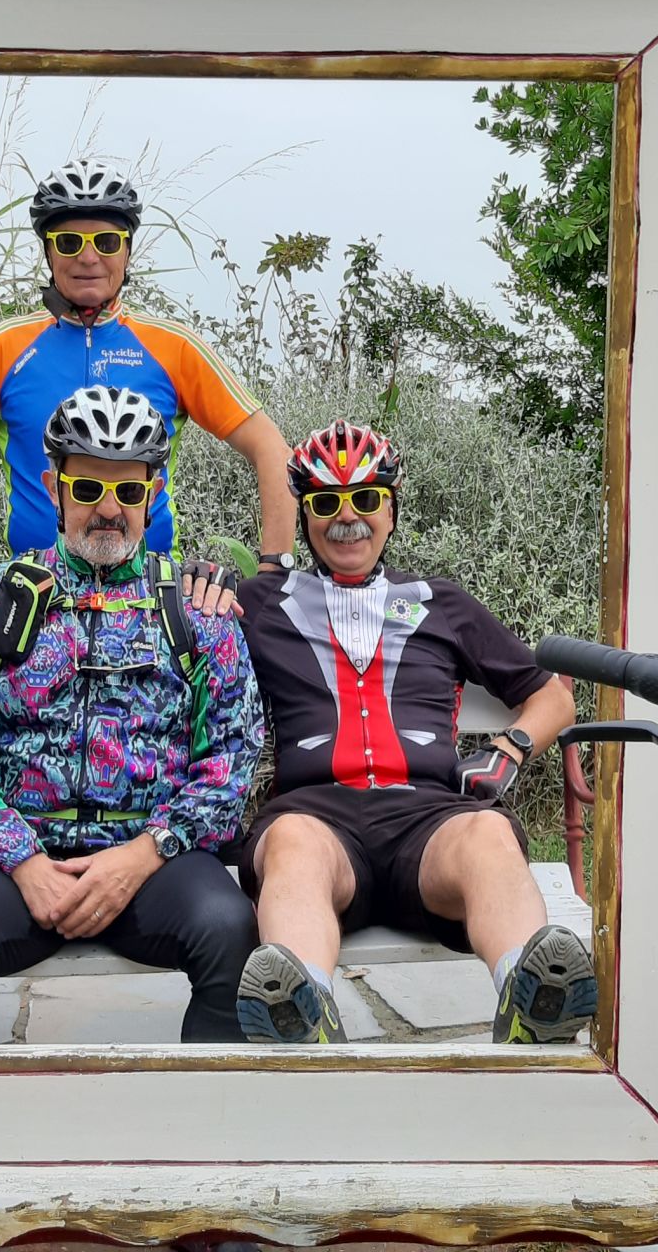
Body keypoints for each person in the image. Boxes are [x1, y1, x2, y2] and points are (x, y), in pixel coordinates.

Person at [0, 387, 263, 1042]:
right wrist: (21, 860)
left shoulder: (194, 609)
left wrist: (143, 854)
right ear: (54, 485)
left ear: (153, 495)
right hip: (15, 863)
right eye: (88, 488)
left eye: (127, 492)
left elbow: (231, 762)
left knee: (230, 930)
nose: (108, 510)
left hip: (155, 861)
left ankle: (213, 1129)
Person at [230, 420, 594, 1044]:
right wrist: (197, 585)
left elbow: (552, 696)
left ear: (391, 511)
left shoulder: (439, 601)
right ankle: (302, 1016)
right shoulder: (264, 602)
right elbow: (190, 648)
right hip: (318, 818)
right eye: (326, 503)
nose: (348, 518)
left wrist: (508, 750)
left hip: (432, 822)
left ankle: (535, 1002)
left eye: (366, 499)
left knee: (487, 833)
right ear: (307, 517)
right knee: (290, 842)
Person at [0, 158, 292, 672]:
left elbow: (272, 450)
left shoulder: (172, 348)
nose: (89, 257)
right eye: (69, 243)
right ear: (48, 251)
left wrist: (273, 572)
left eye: (106, 242)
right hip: (35, 605)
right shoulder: (6, 348)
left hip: (149, 603)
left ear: (127, 250)